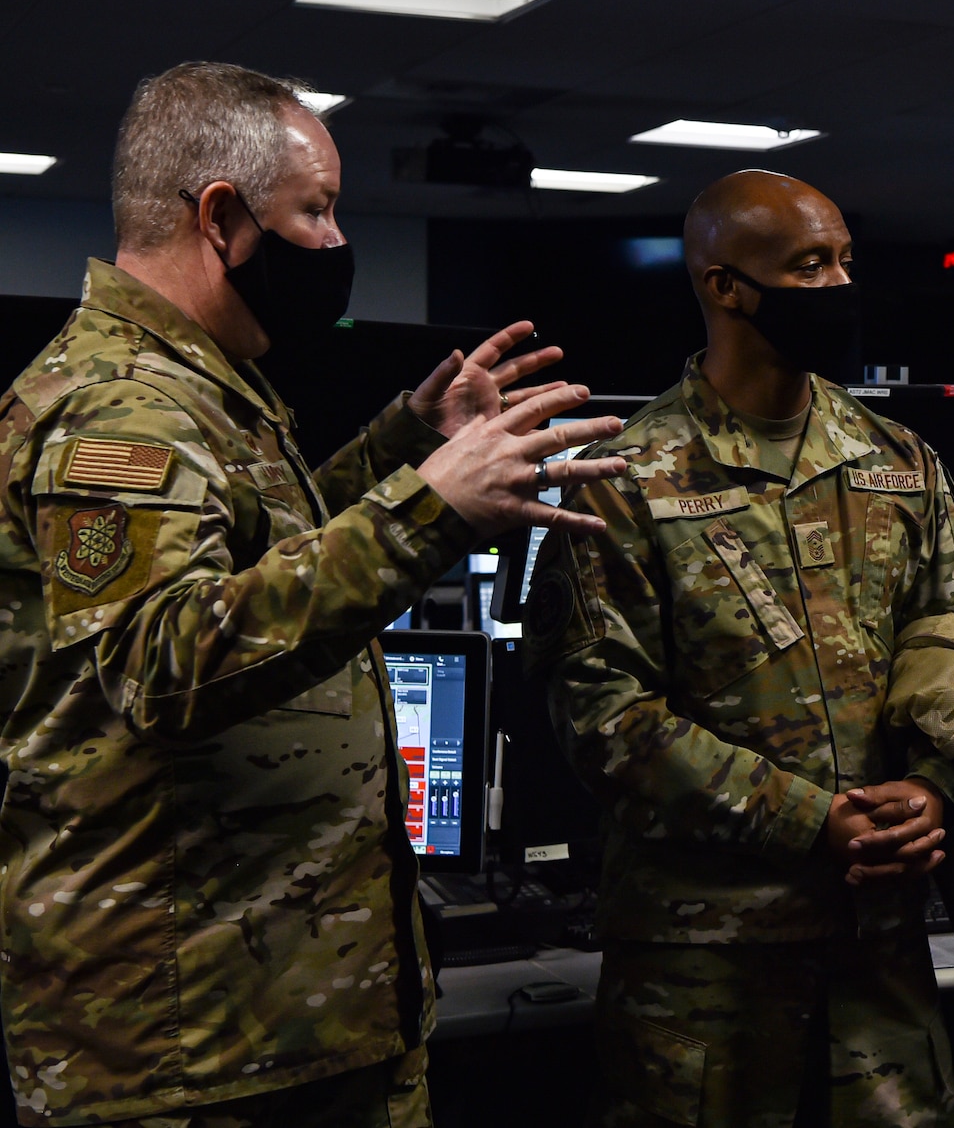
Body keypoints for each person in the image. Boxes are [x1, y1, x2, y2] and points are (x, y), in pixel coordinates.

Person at [0, 62, 628, 1128]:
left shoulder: (203, 385)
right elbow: (166, 661)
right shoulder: (121, 409)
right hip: (190, 1043)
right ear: (220, 217)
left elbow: (253, 562)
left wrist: (399, 447)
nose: (335, 242)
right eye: (317, 210)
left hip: (282, 1019)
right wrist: (431, 509)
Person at [526, 169, 954, 1127]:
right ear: (724, 286)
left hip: (879, 957)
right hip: (701, 966)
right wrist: (807, 818)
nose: (837, 287)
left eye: (843, 263)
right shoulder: (626, 481)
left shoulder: (900, 462)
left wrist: (930, 787)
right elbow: (602, 716)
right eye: (808, 265)